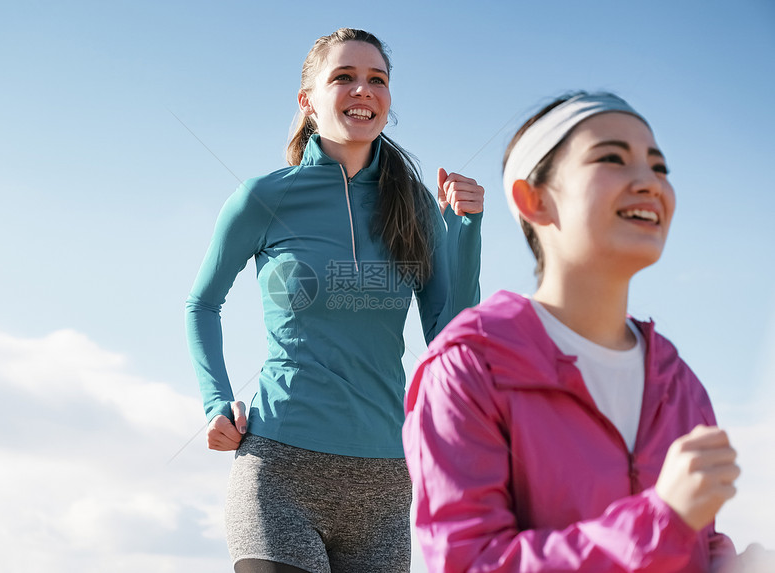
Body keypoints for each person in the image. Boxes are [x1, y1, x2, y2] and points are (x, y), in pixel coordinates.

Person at [403, 92, 754, 572]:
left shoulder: (679, 382)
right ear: (534, 200)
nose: (648, 183)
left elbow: (698, 544)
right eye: (612, 158)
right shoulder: (468, 369)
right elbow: (470, 562)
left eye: (659, 167)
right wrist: (660, 519)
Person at [185, 28, 484, 573]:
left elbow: (449, 334)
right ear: (308, 101)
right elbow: (202, 305)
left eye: (377, 80)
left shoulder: (415, 205)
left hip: (385, 482)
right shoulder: (263, 198)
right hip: (279, 469)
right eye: (343, 77)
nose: (362, 90)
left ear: (388, 101)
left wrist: (465, 230)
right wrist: (216, 402)